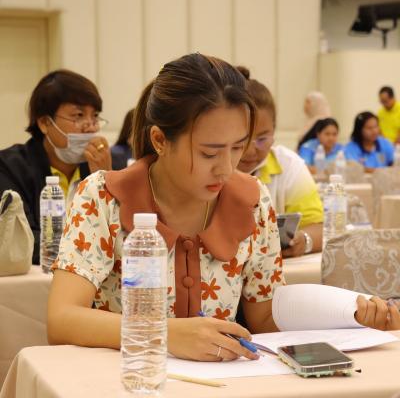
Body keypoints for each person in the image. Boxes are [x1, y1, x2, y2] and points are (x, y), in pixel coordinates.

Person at [47, 54, 399, 362]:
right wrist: (164, 333)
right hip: (128, 381)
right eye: (209, 153)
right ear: (160, 140)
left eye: (237, 148)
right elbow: (61, 318)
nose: (227, 168)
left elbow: (263, 318)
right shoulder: (104, 197)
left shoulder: (253, 201)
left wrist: (349, 316)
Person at [0, 69, 126, 265]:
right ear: (44, 123)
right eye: (78, 115)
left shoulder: (110, 166)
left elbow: (124, 237)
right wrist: (89, 248)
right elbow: (24, 241)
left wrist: (104, 180)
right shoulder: (11, 167)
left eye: (95, 116)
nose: (90, 126)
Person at [236, 66, 323, 258]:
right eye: (240, 140)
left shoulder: (289, 166)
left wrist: (304, 240)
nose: (250, 151)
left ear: (274, 131)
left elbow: (318, 227)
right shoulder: (209, 169)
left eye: (262, 139)